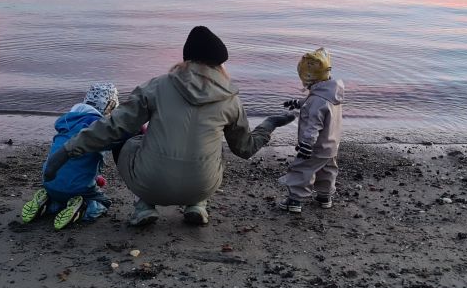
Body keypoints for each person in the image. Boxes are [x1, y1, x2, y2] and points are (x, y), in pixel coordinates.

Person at [43, 26, 294, 226]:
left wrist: (68, 150)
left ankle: (144, 206)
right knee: (213, 148)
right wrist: (269, 125)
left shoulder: (158, 86)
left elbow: (113, 127)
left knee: (128, 138)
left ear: (187, 61)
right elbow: (244, 149)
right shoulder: (230, 99)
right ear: (219, 66)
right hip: (202, 184)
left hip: (150, 183)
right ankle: (197, 205)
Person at [21, 82, 119, 230]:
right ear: (110, 106)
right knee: (103, 202)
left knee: (61, 199)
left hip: (49, 182)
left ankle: (48, 204)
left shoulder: (68, 120)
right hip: (76, 187)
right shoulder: (99, 128)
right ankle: (84, 207)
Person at [278, 47, 345, 214]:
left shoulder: (317, 100)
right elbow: (317, 104)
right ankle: (325, 197)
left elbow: (314, 123)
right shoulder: (331, 93)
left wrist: (306, 144)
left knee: (302, 169)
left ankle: (295, 200)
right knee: (327, 169)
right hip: (331, 145)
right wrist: (299, 103)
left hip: (315, 147)